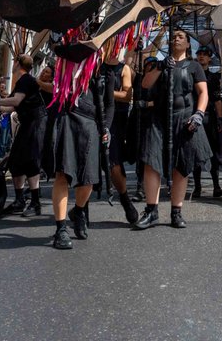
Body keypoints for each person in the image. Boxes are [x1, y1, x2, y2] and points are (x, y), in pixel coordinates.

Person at [133, 28, 211, 230]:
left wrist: (199, 114)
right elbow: (145, 84)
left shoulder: (194, 66)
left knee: (181, 166)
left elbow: (203, 92)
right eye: (173, 36)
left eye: (181, 37)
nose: (176, 39)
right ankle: (151, 211)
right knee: (152, 162)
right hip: (159, 119)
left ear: (187, 44)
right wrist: (160, 67)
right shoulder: (161, 65)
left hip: (185, 119)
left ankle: (176, 211)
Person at [41, 58, 113, 250]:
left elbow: (109, 103)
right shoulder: (66, 62)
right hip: (66, 118)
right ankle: (61, 229)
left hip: (91, 124)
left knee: (88, 179)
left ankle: (79, 210)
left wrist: (106, 128)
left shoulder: (105, 70)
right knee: (62, 174)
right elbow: (55, 87)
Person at [0, 54, 49, 217]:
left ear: (17, 63)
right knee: (16, 161)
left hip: (35, 124)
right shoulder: (22, 81)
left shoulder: (26, 80)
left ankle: (35, 203)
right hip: (28, 123)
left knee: (30, 161)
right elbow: (12, 106)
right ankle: (19, 201)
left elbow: (16, 101)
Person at [95, 46, 139, 223]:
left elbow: (127, 95)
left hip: (115, 121)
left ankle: (124, 198)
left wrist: (106, 93)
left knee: (113, 163)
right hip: (94, 117)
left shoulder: (124, 69)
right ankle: (81, 209)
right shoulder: (95, 67)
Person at [191, 45, 222, 199]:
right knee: (196, 152)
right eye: (199, 54)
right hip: (194, 116)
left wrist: (220, 118)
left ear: (210, 58)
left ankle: (216, 185)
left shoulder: (214, 77)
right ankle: (197, 187)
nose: (201, 56)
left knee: (213, 154)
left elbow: (217, 99)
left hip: (210, 118)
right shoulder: (191, 74)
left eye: (205, 54)